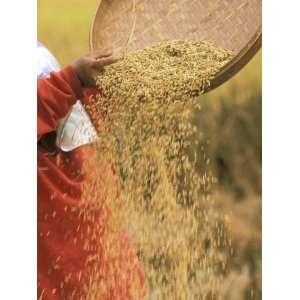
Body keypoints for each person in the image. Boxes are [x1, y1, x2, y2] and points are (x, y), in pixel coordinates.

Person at [37, 42, 146, 300]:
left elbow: (80, 110)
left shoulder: (78, 129)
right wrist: (70, 80)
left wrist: (95, 83)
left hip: (114, 275)